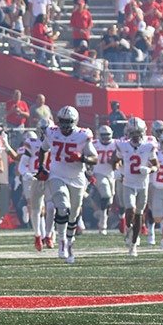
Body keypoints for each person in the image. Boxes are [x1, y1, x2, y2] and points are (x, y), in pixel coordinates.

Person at [36, 106, 97, 264]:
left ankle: (70, 241)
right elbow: (43, 150)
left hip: (77, 178)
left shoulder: (82, 135)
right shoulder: (52, 132)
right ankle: (62, 241)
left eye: (68, 122)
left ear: (74, 121)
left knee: (74, 214)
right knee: (62, 207)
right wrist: (41, 166)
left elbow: (94, 158)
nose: (64, 125)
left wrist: (81, 158)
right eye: (62, 121)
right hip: (57, 175)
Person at [112, 117, 158, 257]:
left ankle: (133, 244)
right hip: (128, 183)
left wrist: (150, 169)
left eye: (137, 133)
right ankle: (128, 228)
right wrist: (117, 171)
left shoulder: (148, 146)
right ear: (128, 133)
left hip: (142, 184)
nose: (135, 136)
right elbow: (115, 160)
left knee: (138, 215)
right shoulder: (123, 145)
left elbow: (156, 165)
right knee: (130, 210)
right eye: (132, 133)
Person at [92, 126, 117, 236]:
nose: (106, 138)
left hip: (111, 174)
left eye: (107, 135)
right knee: (106, 195)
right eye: (103, 135)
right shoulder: (94, 144)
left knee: (109, 200)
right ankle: (103, 223)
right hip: (98, 173)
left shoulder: (116, 144)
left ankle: (102, 218)